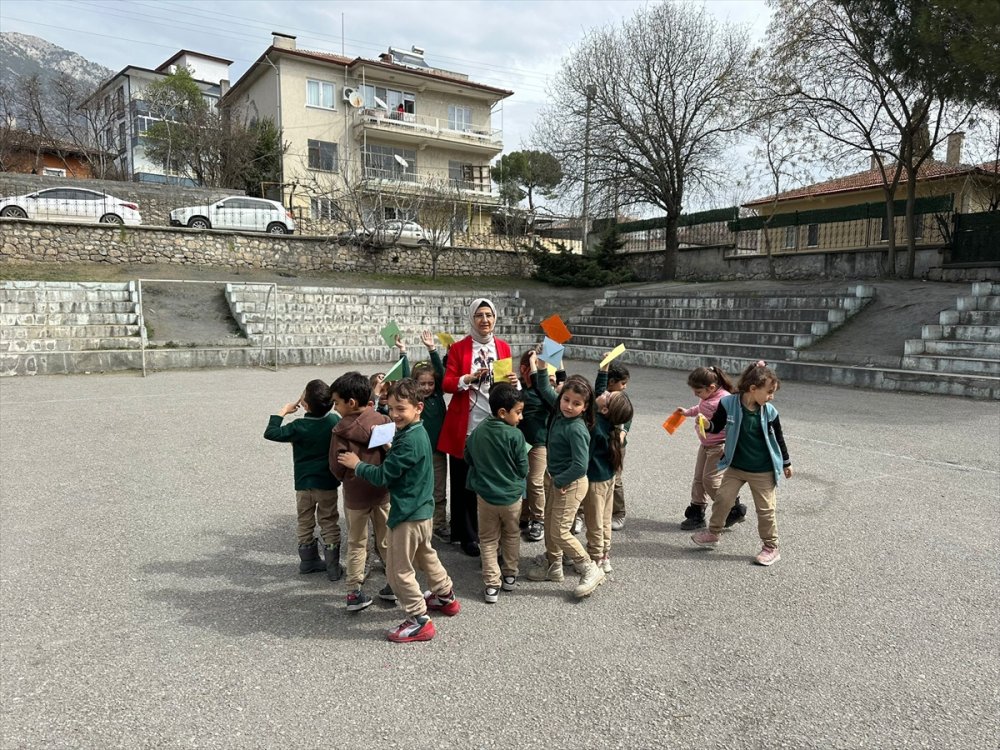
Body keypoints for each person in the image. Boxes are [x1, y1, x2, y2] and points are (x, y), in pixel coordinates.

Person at [338, 379, 461, 643]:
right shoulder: (416, 432)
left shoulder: (409, 441)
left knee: (398, 570)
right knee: (426, 555)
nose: (393, 414)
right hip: (422, 511)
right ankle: (445, 594)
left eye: (400, 409)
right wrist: (390, 448)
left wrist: (357, 464)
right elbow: (404, 460)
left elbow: (384, 476)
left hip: (406, 514)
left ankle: (418, 619)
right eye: (390, 407)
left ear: (419, 408)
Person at [691, 361, 793, 567]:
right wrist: (705, 423)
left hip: (762, 470)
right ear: (753, 389)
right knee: (722, 499)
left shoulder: (770, 411)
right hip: (736, 467)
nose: (772, 397)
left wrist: (786, 462)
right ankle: (713, 533)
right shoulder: (729, 404)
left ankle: (771, 547)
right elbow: (716, 426)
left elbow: (779, 438)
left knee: (765, 510)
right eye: (769, 392)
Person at [439, 299, 517, 557]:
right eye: (479, 315)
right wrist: (466, 378)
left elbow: (505, 384)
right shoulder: (459, 348)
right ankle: (466, 534)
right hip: (467, 423)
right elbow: (447, 383)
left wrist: (513, 383)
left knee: (488, 478)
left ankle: (491, 531)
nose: (485, 320)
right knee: (463, 480)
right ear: (472, 319)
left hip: (494, 424)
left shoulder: (503, 347)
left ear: (495, 318)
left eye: (489, 315)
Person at [524, 353, 606, 599]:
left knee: (560, 531)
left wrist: (559, 481)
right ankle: (553, 566)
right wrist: (539, 366)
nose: (569, 406)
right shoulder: (560, 412)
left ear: (585, 407)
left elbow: (580, 466)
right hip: (558, 480)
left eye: (576, 403)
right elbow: (542, 387)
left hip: (569, 484)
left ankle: (589, 568)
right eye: (566, 399)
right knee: (550, 525)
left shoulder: (577, 429)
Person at [264, 379, 342, 579]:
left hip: (304, 484)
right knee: (329, 521)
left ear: (305, 404)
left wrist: (283, 411)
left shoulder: (298, 426)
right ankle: (333, 567)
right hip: (327, 483)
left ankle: (308, 561)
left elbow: (271, 433)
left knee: (305, 521)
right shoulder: (333, 420)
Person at [329, 371, 393, 611]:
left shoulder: (339, 431)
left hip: (355, 494)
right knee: (387, 540)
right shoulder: (384, 421)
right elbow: (392, 454)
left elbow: (335, 466)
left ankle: (354, 591)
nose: (335, 407)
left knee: (357, 542)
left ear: (351, 403)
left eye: (336, 402)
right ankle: (394, 584)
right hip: (382, 491)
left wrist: (347, 476)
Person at [464, 382, 529, 603]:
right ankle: (510, 575)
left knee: (488, 539)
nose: (520, 418)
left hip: (485, 497)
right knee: (511, 534)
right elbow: (523, 468)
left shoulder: (478, 431)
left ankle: (492, 584)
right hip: (511, 497)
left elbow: (468, 457)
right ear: (503, 413)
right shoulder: (516, 436)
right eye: (518, 412)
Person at [674, 366, 747, 530]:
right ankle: (697, 512)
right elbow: (700, 407)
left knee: (710, 481)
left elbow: (735, 423)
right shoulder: (708, 398)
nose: (696, 395)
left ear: (712, 387)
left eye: (698, 392)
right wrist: (687, 412)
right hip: (706, 445)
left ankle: (732, 507)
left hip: (719, 447)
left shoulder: (724, 400)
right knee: (698, 479)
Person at [584, 359, 634, 574]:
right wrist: (603, 370)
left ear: (605, 409)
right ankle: (605, 556)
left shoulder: (596, 428)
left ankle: (595, 560)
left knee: (594, 523)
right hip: (608, 479)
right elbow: (599, 390)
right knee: (604, 521)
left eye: (607, 395)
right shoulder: (615, 429)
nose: (603, 393)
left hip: (594, 481)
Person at [412, 330, 449, 540]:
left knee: (439, 491)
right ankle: (420, 524)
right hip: (418, 455)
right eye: (421, 383)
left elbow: (442, 376)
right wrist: (402, 353)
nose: (426, 387)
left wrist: (432, 350)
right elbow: (403, 379)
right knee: (419, 490)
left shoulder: (437, 395)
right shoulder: (414, 402)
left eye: (430, 383)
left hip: (436, 453)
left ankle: (440, 524)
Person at [517, 350, 554, 543]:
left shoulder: (546, 392)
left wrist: (536, 364)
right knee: (522, 480)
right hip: (522, 441)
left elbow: (542, 385)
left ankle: (538, 518)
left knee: (535, 481)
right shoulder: (520, 389)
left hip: (539, 442)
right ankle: (523, 516)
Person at [608, 362, 632, 531]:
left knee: (616, 479)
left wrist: (623, 433)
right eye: (622, 383)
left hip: (617, 444)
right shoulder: (601, 395)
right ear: (610, 382)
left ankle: (619, 513)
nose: (625, 387)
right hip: (601, 442)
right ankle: (581, 513)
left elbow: (628, 419)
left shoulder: (623, 399)